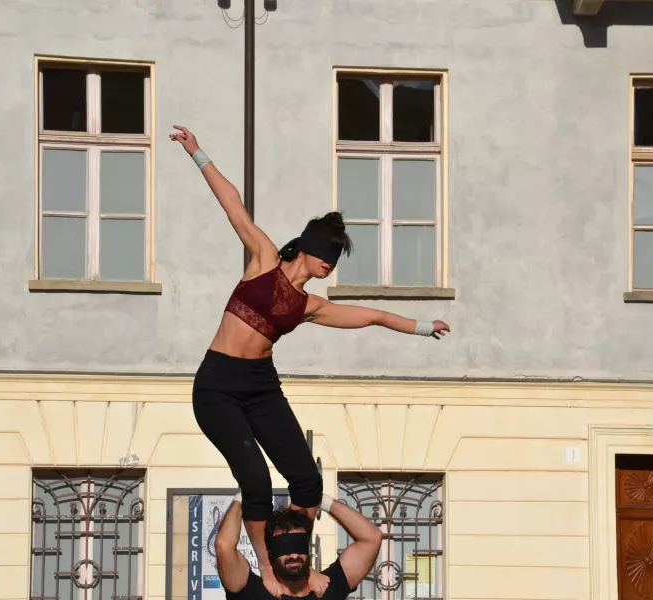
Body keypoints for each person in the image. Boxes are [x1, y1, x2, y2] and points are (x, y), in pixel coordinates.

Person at [170, 125, 450, 597]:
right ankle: (266, 565)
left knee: (306, 478)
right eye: (330, 259)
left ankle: (297, 555)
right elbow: (232, 204)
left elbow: (373, 316)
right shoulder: (262, 259)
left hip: (260, 386)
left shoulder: (310, 305)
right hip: (217, 385)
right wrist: (198, 153)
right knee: (255, 477)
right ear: (312, 250)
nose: (331, 268)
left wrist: (422, 327)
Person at [215, 492, 382, 600]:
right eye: (284, 547)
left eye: (298, 545)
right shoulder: (254, 593)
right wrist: (242, 498)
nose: (293, 555)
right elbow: (224, 546)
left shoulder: (326, 589)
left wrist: (322, 501)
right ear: (271, 553)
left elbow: (372, 538)